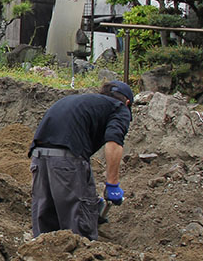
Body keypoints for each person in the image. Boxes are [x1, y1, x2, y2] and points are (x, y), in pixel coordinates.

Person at [28, 80, 134, 241]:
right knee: (78, 229)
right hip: (67, 161)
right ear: (127, 102)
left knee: (46, 228)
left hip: (39, 158)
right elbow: (114, 143)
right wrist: (112, 184)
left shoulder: (82, 102)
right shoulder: (119, 108)